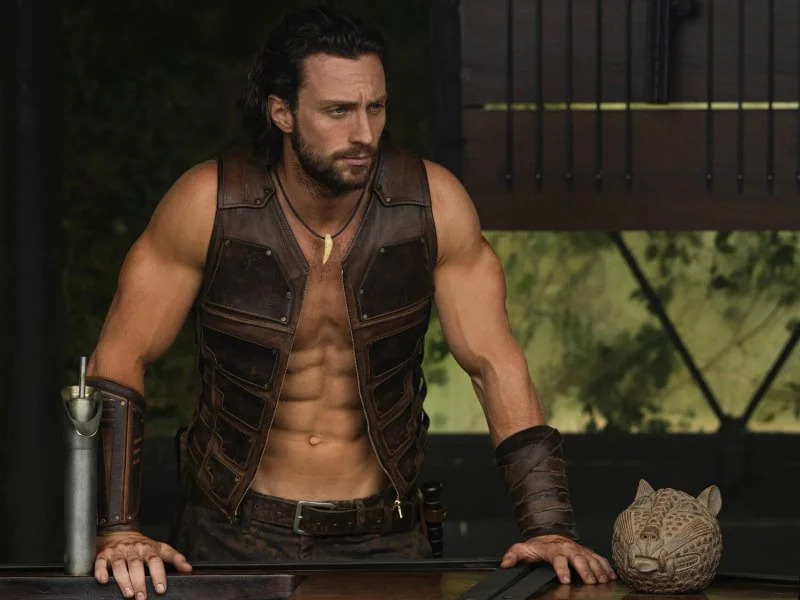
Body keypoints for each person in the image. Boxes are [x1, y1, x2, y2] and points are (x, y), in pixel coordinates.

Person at [86, 6, 616, 600]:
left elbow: (493, 361)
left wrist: (548, 527)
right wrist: (119, 531)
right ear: (282, 112)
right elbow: (119, 359)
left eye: (375, 108)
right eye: (337, 111)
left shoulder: (433, 204)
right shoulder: (207, 204)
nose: (363, 133)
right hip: (231, 534)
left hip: (386, 536)